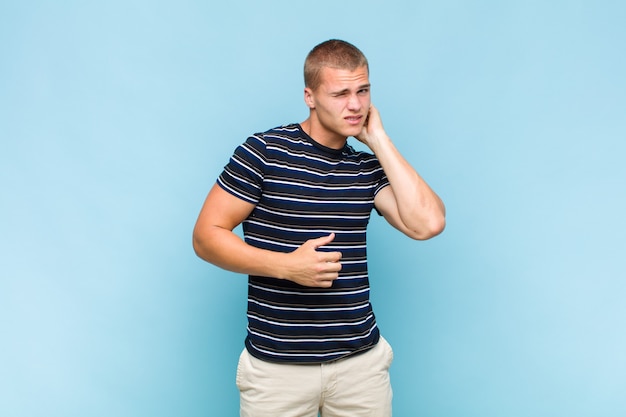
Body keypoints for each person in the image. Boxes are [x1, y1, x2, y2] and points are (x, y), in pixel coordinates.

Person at [193, 39, 445, 417]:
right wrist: (286, 267)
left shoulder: (364, 169)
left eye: (363, 91)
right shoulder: (264, 152)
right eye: (341, 93)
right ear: (310, 96)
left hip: (360, 368)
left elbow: (428, 224)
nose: (356, 104)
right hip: (278, 372)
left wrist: (378, 139)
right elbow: (206, 236)